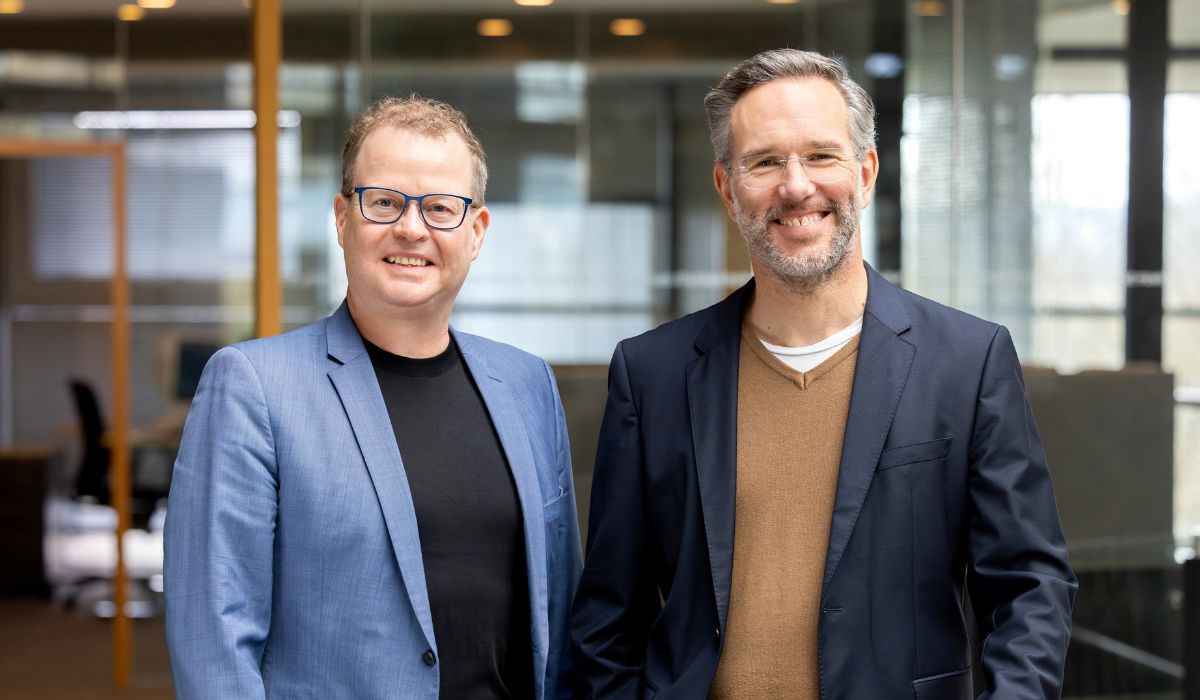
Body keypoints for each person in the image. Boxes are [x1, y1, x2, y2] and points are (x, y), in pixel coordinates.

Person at [570, 49, 1076, 699]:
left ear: (864, 172)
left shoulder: (967, 361)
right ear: (727, 188)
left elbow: (1030, 589)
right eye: (765, 161)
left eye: (820, 155)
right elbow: (608, 618)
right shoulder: (652, 374)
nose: (796, 186)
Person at [164, 95, 581, 700]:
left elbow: (561, 611)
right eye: (383, 202)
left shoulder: (526, 386)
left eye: (441, 207)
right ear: (342, 218)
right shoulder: (253, 386)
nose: (411, 228)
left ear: (476, 231)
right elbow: (214, 640)